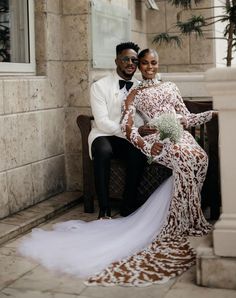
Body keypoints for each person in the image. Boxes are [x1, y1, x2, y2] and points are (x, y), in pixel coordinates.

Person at [18, 49, 217, 287]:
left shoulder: (171, 87)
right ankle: (173, 220)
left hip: (177, 135)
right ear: (135, 65)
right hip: (134, 138)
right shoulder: (130, 91)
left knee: (200, 158)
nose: (148, 66)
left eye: (151, 62)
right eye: (143, 63)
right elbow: (128, 127)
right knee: (179, 159)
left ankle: (183, 214)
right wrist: (146, 145)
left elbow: (185, 117)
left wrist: (211, 113)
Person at [88, 42, 154, 219]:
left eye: (134, 60)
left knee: (138, 153)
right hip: (103, 134)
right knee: (102, 151)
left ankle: (128, 205)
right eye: (126, 59)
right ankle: (104, 209)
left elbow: (141, 117)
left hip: (126, 136)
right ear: (116, 60)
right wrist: (130, 133)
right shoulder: (99, 86)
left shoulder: (140, 86)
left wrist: (142, 130)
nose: (131, 63)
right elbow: (101, 122)